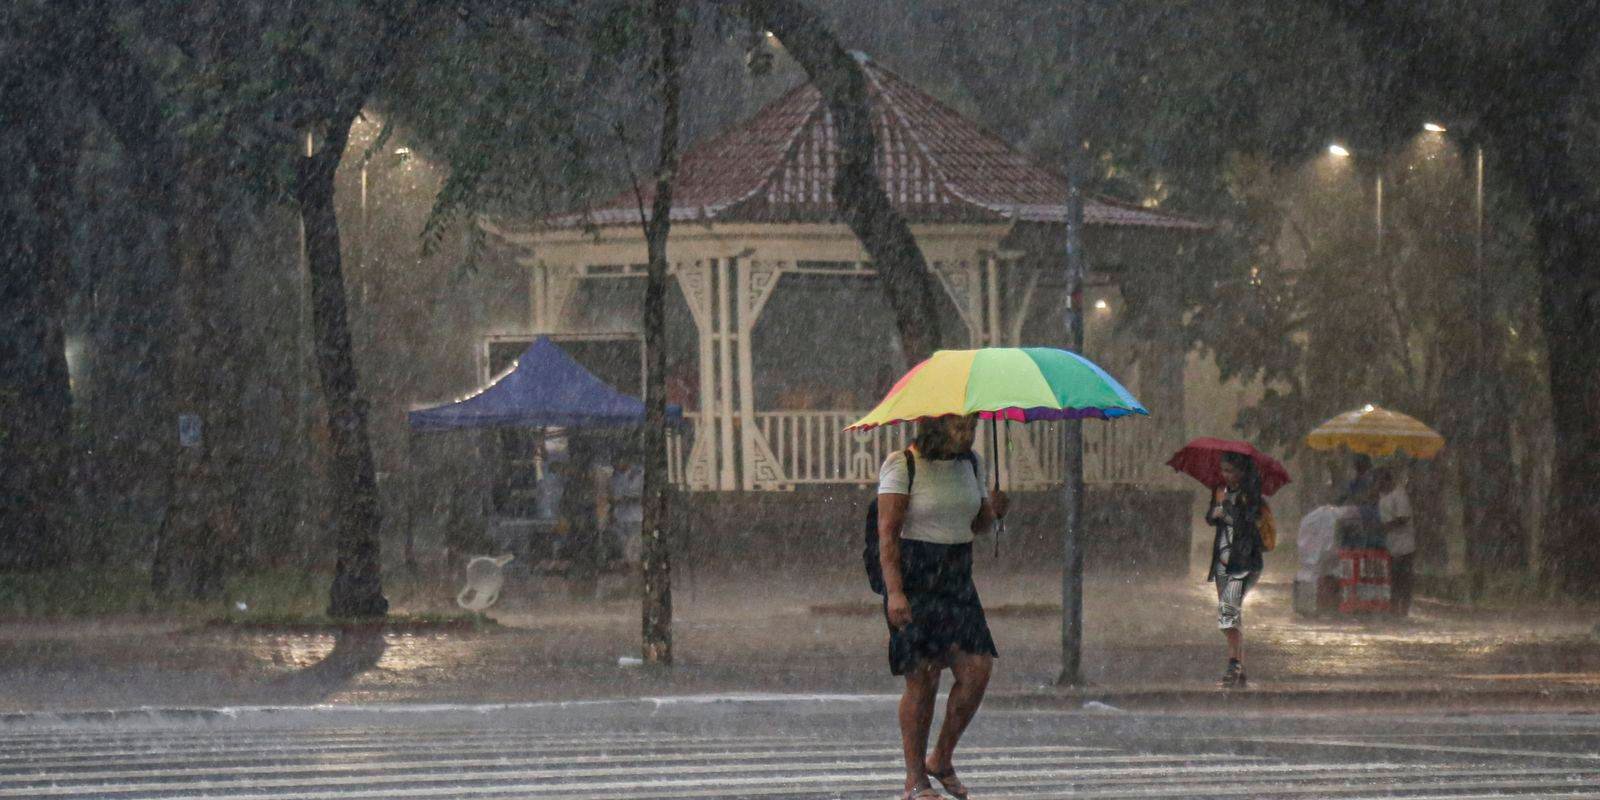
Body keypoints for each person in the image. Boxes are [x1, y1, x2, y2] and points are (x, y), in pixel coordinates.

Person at [877, 414, 1008, 800]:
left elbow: (975, 526)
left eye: (971, 427)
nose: (967, 435)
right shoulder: (904, 464)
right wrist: (895, 592)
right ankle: (915, 777)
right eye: (957, 427)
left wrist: (994, 511)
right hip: (915, 576)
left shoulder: (972, 464)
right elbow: (887, 534)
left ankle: (942, 758)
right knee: (924, 677)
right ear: (934, 426)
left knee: (977, 669)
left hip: (956, 576)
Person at [1207, 451, 1266, 688]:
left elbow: (1248, 521)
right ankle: (1238, 665)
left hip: (1244, 561)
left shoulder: (1251, 495)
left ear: (1242, 472)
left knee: (1228, 611)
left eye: (1230, 470)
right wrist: (1217, 509)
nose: (1226, 475)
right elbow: (1210, 518)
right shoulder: (1220, 491)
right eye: (1223, 470)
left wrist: (1228, 508)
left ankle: (1234, 663)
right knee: (1230, 612)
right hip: (1223, 561)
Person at [1376, 467, 1416, 616]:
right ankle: (1393, 609)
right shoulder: (1382, 496)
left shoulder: (1399, 495)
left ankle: (1403, 610)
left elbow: (1403, 518)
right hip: (1391, 546)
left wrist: (1385, 527)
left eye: (1381, 481)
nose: (1379, 485)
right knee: (1393, 580)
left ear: (1388, 481)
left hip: (1404, 546)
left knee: (1403, 580)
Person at [606, 450, 644, 568]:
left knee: (634, 541)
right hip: (621, 517)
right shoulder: (614, 478)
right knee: (623, 542)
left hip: (636, 515)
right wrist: (611, 513)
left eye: (617, 463)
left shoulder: (639, 473)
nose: (616, 466)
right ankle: (626, 563)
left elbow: (646, 495)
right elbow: (612, 498)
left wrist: (630, 499)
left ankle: (635, 564)